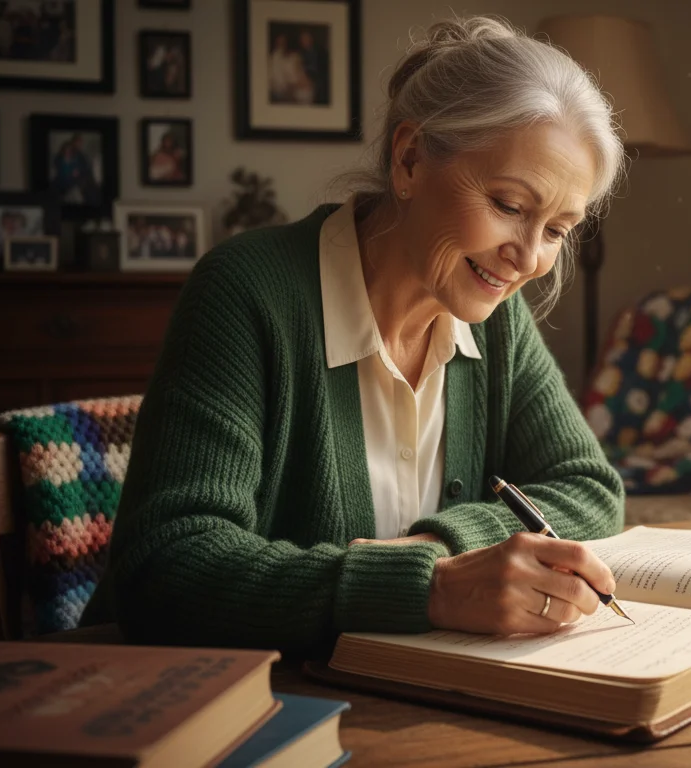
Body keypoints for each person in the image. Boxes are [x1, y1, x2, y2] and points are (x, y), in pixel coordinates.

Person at [81, 15, 627, 656]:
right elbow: (165, 569)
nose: (529, 258)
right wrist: (434, 589)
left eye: (558, 229)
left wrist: (440, 546)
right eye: (509, 205)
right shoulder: (246, 291)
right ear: (409, 159)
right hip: (219, 703)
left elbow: (590, 489)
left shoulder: (492, 311)